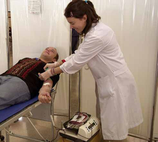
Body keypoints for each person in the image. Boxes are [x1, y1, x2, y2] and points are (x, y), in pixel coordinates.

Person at [39, 0, 143, 141]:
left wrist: (50, 73)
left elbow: (76, 63)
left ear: (84, 18)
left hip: (116, 84)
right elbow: (79, 54)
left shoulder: (97, 35)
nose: (70, 27)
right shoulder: (93, 31)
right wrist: (57, 63)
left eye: (72, 23)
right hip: (109, 81)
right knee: (110, 122)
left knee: (115, 126)